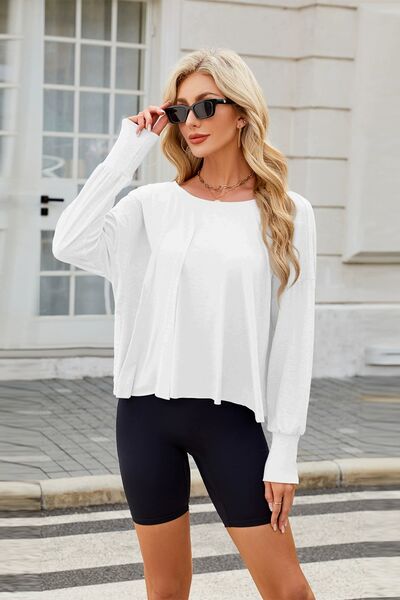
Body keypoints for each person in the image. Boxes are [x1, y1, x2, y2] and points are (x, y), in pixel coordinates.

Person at [52, 47, 316, 600]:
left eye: (206, 105)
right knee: (166, 590)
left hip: (231, 419)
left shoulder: (287, 211)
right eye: (179, 109)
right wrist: (128, 152)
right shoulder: (151, 205)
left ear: (241, 112)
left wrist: (285, 450)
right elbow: (69, 242)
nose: (190, 120)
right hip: (144, 416)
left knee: (288, 590)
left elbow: (294, 337)